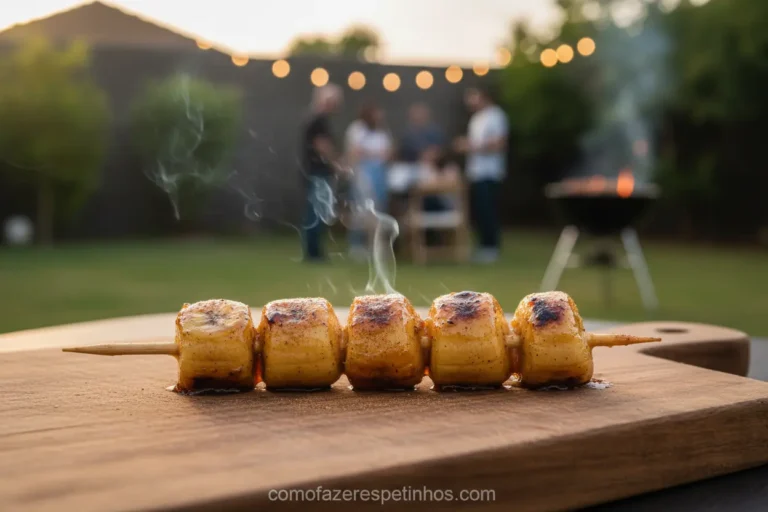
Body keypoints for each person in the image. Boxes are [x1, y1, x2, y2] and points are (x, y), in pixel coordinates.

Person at [453, 87, 509, 264]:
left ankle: (491, 247)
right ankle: (483, 246)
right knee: (479, 210)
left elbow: (499, 143)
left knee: (488, 210)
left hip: (490, 172)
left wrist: (472, 146)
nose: (470, 103)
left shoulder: (496, 115)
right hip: (476, 172)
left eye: (473, 98)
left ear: (484, 97)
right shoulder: (476, 118)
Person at [344, 102, 393, 260]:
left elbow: (387, 152)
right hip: (363, 174)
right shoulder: (357, 129)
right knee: (361, 210)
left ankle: (375, 245)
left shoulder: (382, 132)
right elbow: (355, 152)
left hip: (379, 175)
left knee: (378, 210)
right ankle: (357, 244)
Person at [301, 83, 343, 262]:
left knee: (317, 211)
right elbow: (322, 146)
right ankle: (314, 253)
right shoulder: (319, 120)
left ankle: (315, 251)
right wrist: (337, 164)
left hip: (317, 171)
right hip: (318, 172)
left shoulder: (315, 119)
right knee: (317, 212)